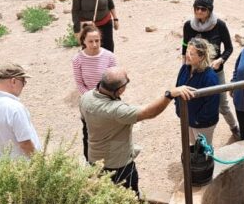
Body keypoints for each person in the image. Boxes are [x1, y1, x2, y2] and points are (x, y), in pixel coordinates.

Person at [80, 66, 195, 195]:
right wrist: (169, 94)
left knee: (106, 195)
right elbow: (149, 112)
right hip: (118, 165)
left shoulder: (86, 97)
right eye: (126, 82)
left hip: (95, 158)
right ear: (120, 90)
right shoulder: (116, 111)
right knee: (131, 197)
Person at [181, 0, 240, 138]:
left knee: (222, 104)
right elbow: (184, 46)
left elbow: (229, 48)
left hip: (215, 71)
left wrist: (220, 60)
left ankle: (234, 127)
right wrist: (184, 67)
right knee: (195, 102)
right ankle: (196, 133)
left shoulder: (219, 25)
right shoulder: (189, 25)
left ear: (210, 10)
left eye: (203, 9)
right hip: (195, 71)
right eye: (196, 8)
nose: (199, 12)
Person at [0, 64, 41, 159]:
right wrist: (39, 163)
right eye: (23, 82)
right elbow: (25, 143)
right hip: (21, 167)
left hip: (0, 163)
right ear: (13, 81)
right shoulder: (15, 108)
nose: (23, 86)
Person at [72, 24, 117, 158]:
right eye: (90, 41)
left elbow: (115, 81)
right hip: (89, 103)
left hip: (109, 101)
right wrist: (92, 99)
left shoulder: (109, 56)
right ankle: (90, 164)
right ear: (83, 41)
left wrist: (104, 99)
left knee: (112, 134)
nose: (94, 44)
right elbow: (79, 84)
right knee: (89, 135)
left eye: (97, 40)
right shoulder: (77, 59)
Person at [175, 38, 221, 146]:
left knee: (204, 149)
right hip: (187, 118)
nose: (187, 55)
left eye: (191, 54)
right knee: (193, 144)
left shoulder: (210, 78)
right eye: (187, 52)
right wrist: (178, 108)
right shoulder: (185, 68)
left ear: (202, 57)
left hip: (202, 124)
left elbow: (211, 106)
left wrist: (197, 120)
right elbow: (178, 87)